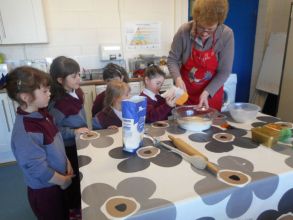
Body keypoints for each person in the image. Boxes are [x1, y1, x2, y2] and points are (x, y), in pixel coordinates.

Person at [1, 67, 73, 220]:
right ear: (26, 97)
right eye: (45, 91)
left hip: (57, 181)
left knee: (64, 212)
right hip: (46, 191)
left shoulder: (42, 114)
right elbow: (38, 170)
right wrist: (64, 180)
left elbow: (56, 142)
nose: (50, 93)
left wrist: (66, 162)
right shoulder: (25, 132)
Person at [167, 0, 234, 111]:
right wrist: (178, 79)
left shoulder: (226, 35)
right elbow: (172, 59)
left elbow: (224, 71)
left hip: (210, 94)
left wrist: (207, 92)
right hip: (185, 93)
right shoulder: (184, 31)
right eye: (201, 27)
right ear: (196, 20)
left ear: (219, 23)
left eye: (210, 29)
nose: (204, 33)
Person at [49, 56, 88, 218]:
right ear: (60, 80)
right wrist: (74, 132)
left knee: (81, 177)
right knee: (72, 181)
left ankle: (79, 204)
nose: (79, 78)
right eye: (74, 76)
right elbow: (54, 129)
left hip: (78, 143)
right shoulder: (58, 103)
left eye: (78, 74)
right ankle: (73, 210)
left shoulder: (76, 91)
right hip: (68, 147)